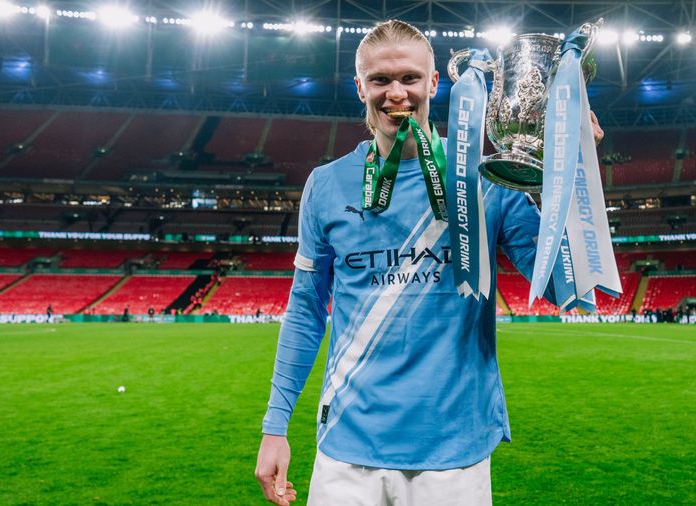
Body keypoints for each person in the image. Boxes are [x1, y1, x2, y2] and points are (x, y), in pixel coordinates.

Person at [255, 19, 604, 506]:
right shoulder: (326, 184)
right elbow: (305, 310)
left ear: (435, 83)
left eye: (410, 78)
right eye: (380, 79)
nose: (396, 93)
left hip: (454, 452)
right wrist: (275, 425)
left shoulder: (488, 182)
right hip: (348, 452)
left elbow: (566, 287)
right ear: (360, 87)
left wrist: (571, 169)